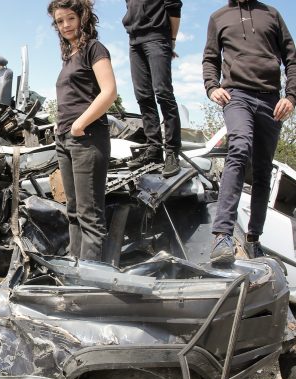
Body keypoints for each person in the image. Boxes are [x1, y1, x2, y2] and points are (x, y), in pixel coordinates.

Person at [203, 0, 295, 264]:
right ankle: (222, 235)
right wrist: (211, 87)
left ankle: (254, 239)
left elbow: (291, 59)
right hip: (237, 95)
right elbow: (210, 58)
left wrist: (291, 96)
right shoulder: (218, 17)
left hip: (271, 100)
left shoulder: (272, 14)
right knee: (239, 148)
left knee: (263, 170)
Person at [47, 0, 118, 261]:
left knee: (90, 214)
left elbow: (109, 92)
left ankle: (90, 276)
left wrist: (79, 124)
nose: (65, 25)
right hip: (65, 138)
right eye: (59, 21)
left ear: (82, 18)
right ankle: (73, 267)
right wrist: (61, 124)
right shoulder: (69, 56)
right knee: (74, 211)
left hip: (87, 137)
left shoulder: (94, 48)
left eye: (70, 18)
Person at [123, 0, 183, 178]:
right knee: (143, 96)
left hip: (157, 35)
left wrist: (171, 40)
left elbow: (174, 7)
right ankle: (154, 149)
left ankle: (172, 152)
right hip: (134, 40)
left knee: (163, 93)